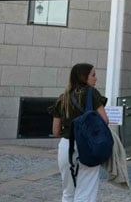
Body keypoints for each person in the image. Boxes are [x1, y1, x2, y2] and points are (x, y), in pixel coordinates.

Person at [51, 63, 109, 202]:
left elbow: (55, 131)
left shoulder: (62, 98)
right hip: (88, 147)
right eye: (93, 75)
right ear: (84, 77)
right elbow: (105, 120)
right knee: (86, 190)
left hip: (66, 146)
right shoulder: (92, 93)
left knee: (68, 192)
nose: (96, 78)